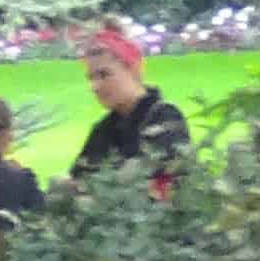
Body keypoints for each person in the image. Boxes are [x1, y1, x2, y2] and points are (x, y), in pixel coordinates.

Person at [68, 27, 194, 190]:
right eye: (91, 78)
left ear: (133, 70)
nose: (95, 86)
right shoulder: (103, 130)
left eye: (105, 74)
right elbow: (78, 180)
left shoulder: (165, 118)